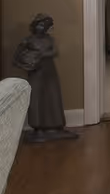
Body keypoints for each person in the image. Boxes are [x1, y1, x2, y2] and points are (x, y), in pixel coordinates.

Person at [14, 14, 77, 142]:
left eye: (45, 26)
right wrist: (29, 61)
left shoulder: (50, 40)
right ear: (34, 26)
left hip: (49, 71)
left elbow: (54, 52)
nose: (42, 28)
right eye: (40, 25)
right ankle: (38, 127)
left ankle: (56, 125)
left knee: (53, 97)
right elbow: (16, 57)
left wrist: (39, 54)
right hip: (36, 72)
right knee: (37, 98)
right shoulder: (28, 40)